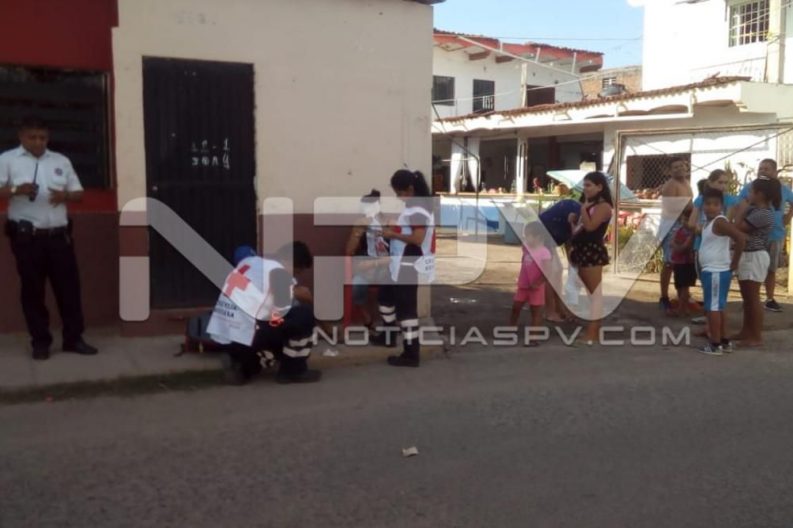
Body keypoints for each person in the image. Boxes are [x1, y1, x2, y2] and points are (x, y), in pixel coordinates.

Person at [0, 116, 97, 360]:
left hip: (59, 237)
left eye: (42, 137)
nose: (38, 142)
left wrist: (65, 196)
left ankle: (73, 339)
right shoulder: (7, 160)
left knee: (69, 289)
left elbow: (79, 193)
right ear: (22, 137)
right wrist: (16, 190)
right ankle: (40, 342)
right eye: (32, 137)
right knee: (33, 292)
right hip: (27, 238)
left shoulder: (60, 160)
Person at [208, 241, 321, 384]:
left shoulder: (250, 262)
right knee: (304, 316)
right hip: (248, 335)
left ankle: (244, 365)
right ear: (289, 261)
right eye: (297, 271)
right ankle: (293, 371)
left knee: (274, 324)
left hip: (224, 337)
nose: (296, 277)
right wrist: (309, 300)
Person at [373, 170, 435, 368]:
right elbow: (409, 230)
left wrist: (393, 235)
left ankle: (411, 354)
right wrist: (394, 230)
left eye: (399, 193)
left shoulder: (418, 209)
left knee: (406, 310)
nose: (398, 197)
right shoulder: (414, 206)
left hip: (408, 264)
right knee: (385, 297)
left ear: (410, 189)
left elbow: (417, 238)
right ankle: (388, 335)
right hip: (398, 262)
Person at [734, 159, 793, 312]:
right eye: (761, 168)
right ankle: (750, 298)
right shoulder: (751, 187)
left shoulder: (783, 189)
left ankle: (769, 298)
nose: (762, 171)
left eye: (766, 169)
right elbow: (740, 203)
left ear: (775, 171)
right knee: (750, 268)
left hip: (775, 233)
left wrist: (788, 217)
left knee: (770, 268)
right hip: (752, 233)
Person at [731, 178, 779, 348]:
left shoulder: (763, 213)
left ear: (760, 194)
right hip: (747, 255)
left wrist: (741, 210)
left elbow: (737, 227)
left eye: (751, 191)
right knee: (747, 298)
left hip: (754, 256)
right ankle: (746, 331)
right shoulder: (755, 210)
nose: (748, 194)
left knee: (753, 298)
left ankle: (756, 336)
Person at [697, 188, 745, 356]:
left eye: (715, 204)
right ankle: (724, 340)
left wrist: (735, 262)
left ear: (721, 206)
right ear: (703, 205)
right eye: (708, 204)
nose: (711, 207)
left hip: (716, 271)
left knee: (713, 308)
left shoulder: (719, 222)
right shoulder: (708, 224)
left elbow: (740, 238)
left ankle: (715, 344)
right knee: (718, 307)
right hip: (711, 271)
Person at [568, 171, 613, 345]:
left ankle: (593, 333)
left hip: (592, 251)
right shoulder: (589, 205)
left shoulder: (603, 206)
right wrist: (573, 221)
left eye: (589, 185)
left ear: (599, 187)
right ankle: (593, 331)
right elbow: (578, 230)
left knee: (595, 294)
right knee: (590, 293)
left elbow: (591, 227)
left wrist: (582, 210)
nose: (585, 188)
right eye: (584, 185)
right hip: (582, 250)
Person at [344, 189, 390, 332]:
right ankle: (367, 318)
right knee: (357, 285)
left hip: (387, 266)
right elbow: (349, 251)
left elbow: (397, 255)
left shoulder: (389, 224)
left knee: (393, 285)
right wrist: (357, 232)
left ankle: (389, 322)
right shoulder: (362, 225)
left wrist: (376, 263)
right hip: (366, 267)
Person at [659, 157, 693, 313]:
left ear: (686, 167)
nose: (679, 169)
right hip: (671, 226)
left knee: (682, 262)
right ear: (670, 171)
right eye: (675, 167)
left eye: (681, 166)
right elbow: (670, 208)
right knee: (669, 263)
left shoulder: (686, 183)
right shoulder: (670, 185)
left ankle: (683, 296)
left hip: (683, 225)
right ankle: (664, 297)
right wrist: (691, 207)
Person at [538, 198, 581, 322]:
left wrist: (573, 268)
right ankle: (549, 312)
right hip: (542, 234)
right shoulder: (578, 216)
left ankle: (558, 308)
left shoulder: (579, 217)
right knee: (551, 273)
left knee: (558, 270)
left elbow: (570, 244)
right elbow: (570, 242)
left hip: (549, 233)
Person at [510, 222, 552, 346]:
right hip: (523, 285)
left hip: (536, 288)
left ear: (538, 237)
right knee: (515, 308)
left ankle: (533, 337)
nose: (525, 238)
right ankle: (511, 331)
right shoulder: (526, 248)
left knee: (536, 312)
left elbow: (547, 272)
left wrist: (538, 282)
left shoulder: (544, 252)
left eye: (528, 235)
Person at [669, 204, 697, 318]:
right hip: (678, 262)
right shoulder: (679, 230)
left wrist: (676, 246)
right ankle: (683, 308)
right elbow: (672, 241)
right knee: (679, 285)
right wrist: (675, 246)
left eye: (687, 220)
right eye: (683, 219)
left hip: (687, 263)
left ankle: (681, 309)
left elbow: (685, 247)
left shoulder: (692, 233)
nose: (685, 222)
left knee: (685, 287)